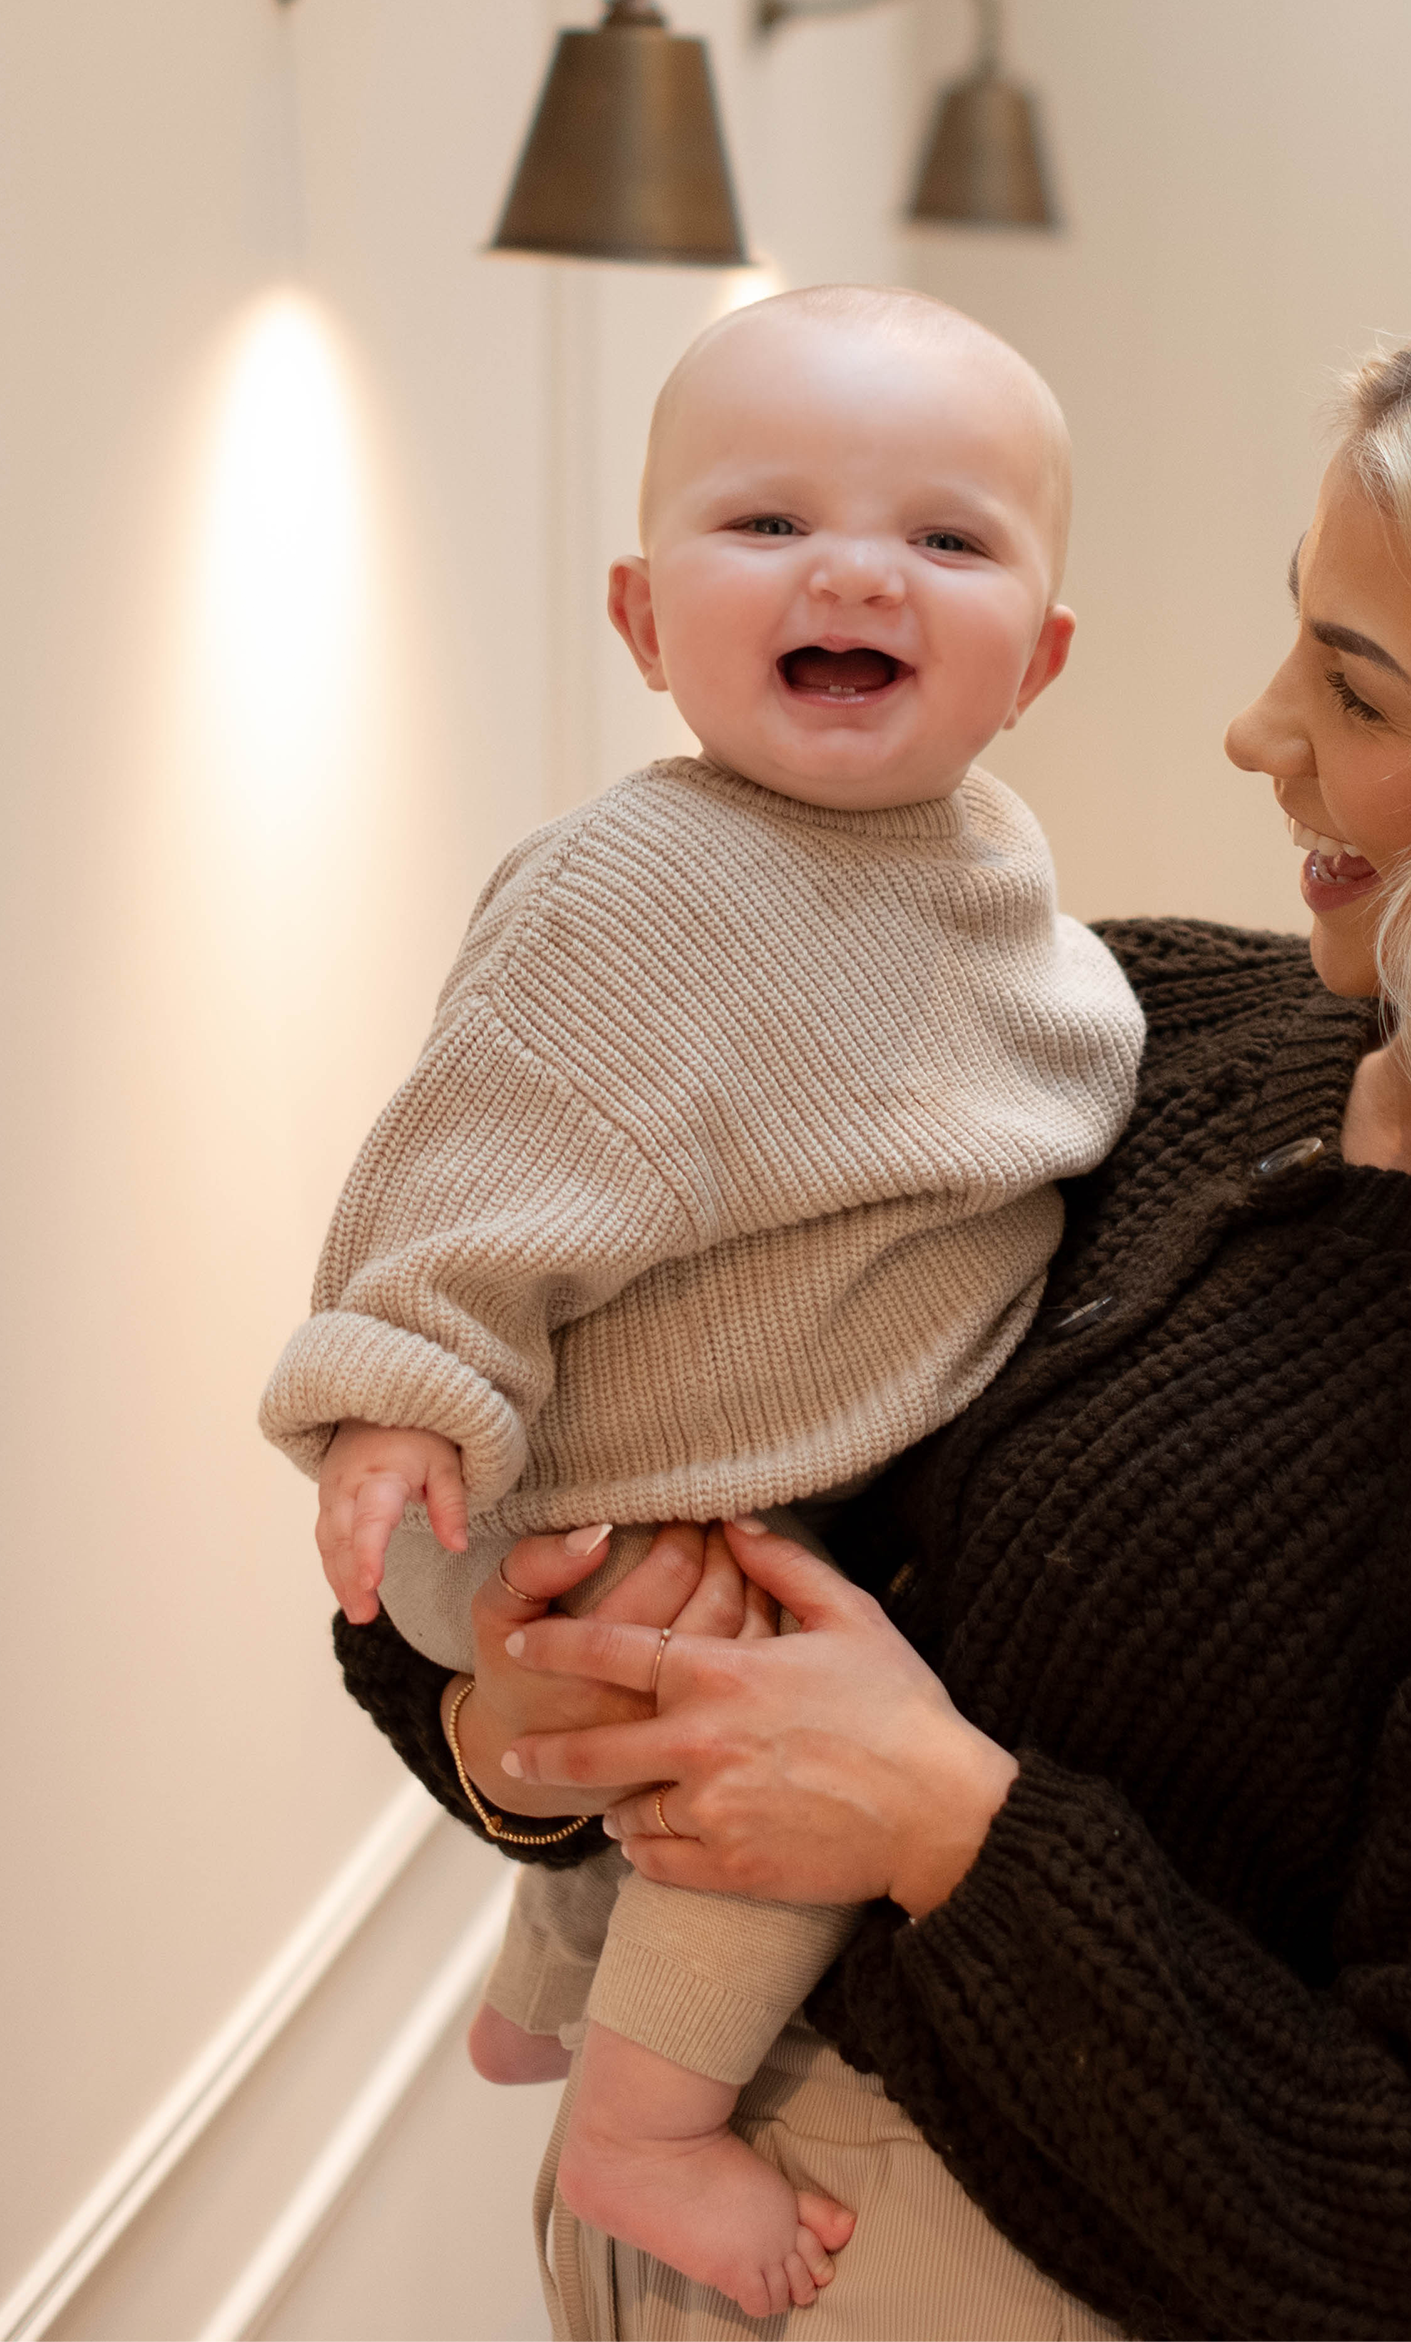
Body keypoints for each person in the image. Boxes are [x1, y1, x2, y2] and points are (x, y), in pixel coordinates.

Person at [342, 301, 1411, 2341]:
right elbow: (617, 1426)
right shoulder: (1124, 1043)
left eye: (1357, 684)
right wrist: (507, 1732)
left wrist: (950, 1826)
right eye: (1294, 637)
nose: (1255, 732)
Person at [260, 285, 1144, 2315]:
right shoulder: (635, 892)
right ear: (643, 621)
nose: (853, 569)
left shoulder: (978, 867)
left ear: (1041, 659)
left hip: (701, 1476)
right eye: (766, 526)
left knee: (761, 1633)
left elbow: (1040, 1082)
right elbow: (474, 1159)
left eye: (946, 538)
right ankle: (645, 2127)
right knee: (780, 1707)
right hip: (542, 1484)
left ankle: (550, 1979)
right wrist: (405, 1394)